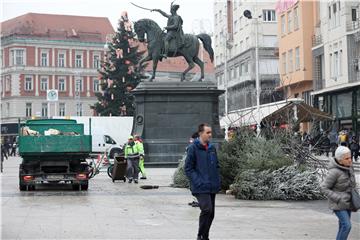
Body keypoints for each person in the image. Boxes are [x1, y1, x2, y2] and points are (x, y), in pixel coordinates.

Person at [185, 123, 221, 240]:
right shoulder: (193, 148)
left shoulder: (211, 148)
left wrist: (217, 180)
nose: (210, 135)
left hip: (212, 185)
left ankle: (205, 236)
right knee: (207, 209)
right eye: (208, 132)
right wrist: (198, 181)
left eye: (210, 132)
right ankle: (200, 236)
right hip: (200, 186)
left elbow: (216, 165)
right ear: (201, 133)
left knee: (211, 213)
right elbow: (188, 168)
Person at [320, 146, 357, 240]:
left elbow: (352, 184)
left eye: (350, 157)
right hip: (338, 204)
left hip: (348, 202)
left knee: (343, 226)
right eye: (347, 158)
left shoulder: (349, 168)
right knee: (347, 226)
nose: (350, 160)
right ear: (340, 160)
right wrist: (338, 198)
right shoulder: (334, 172)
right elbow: (324, 187)